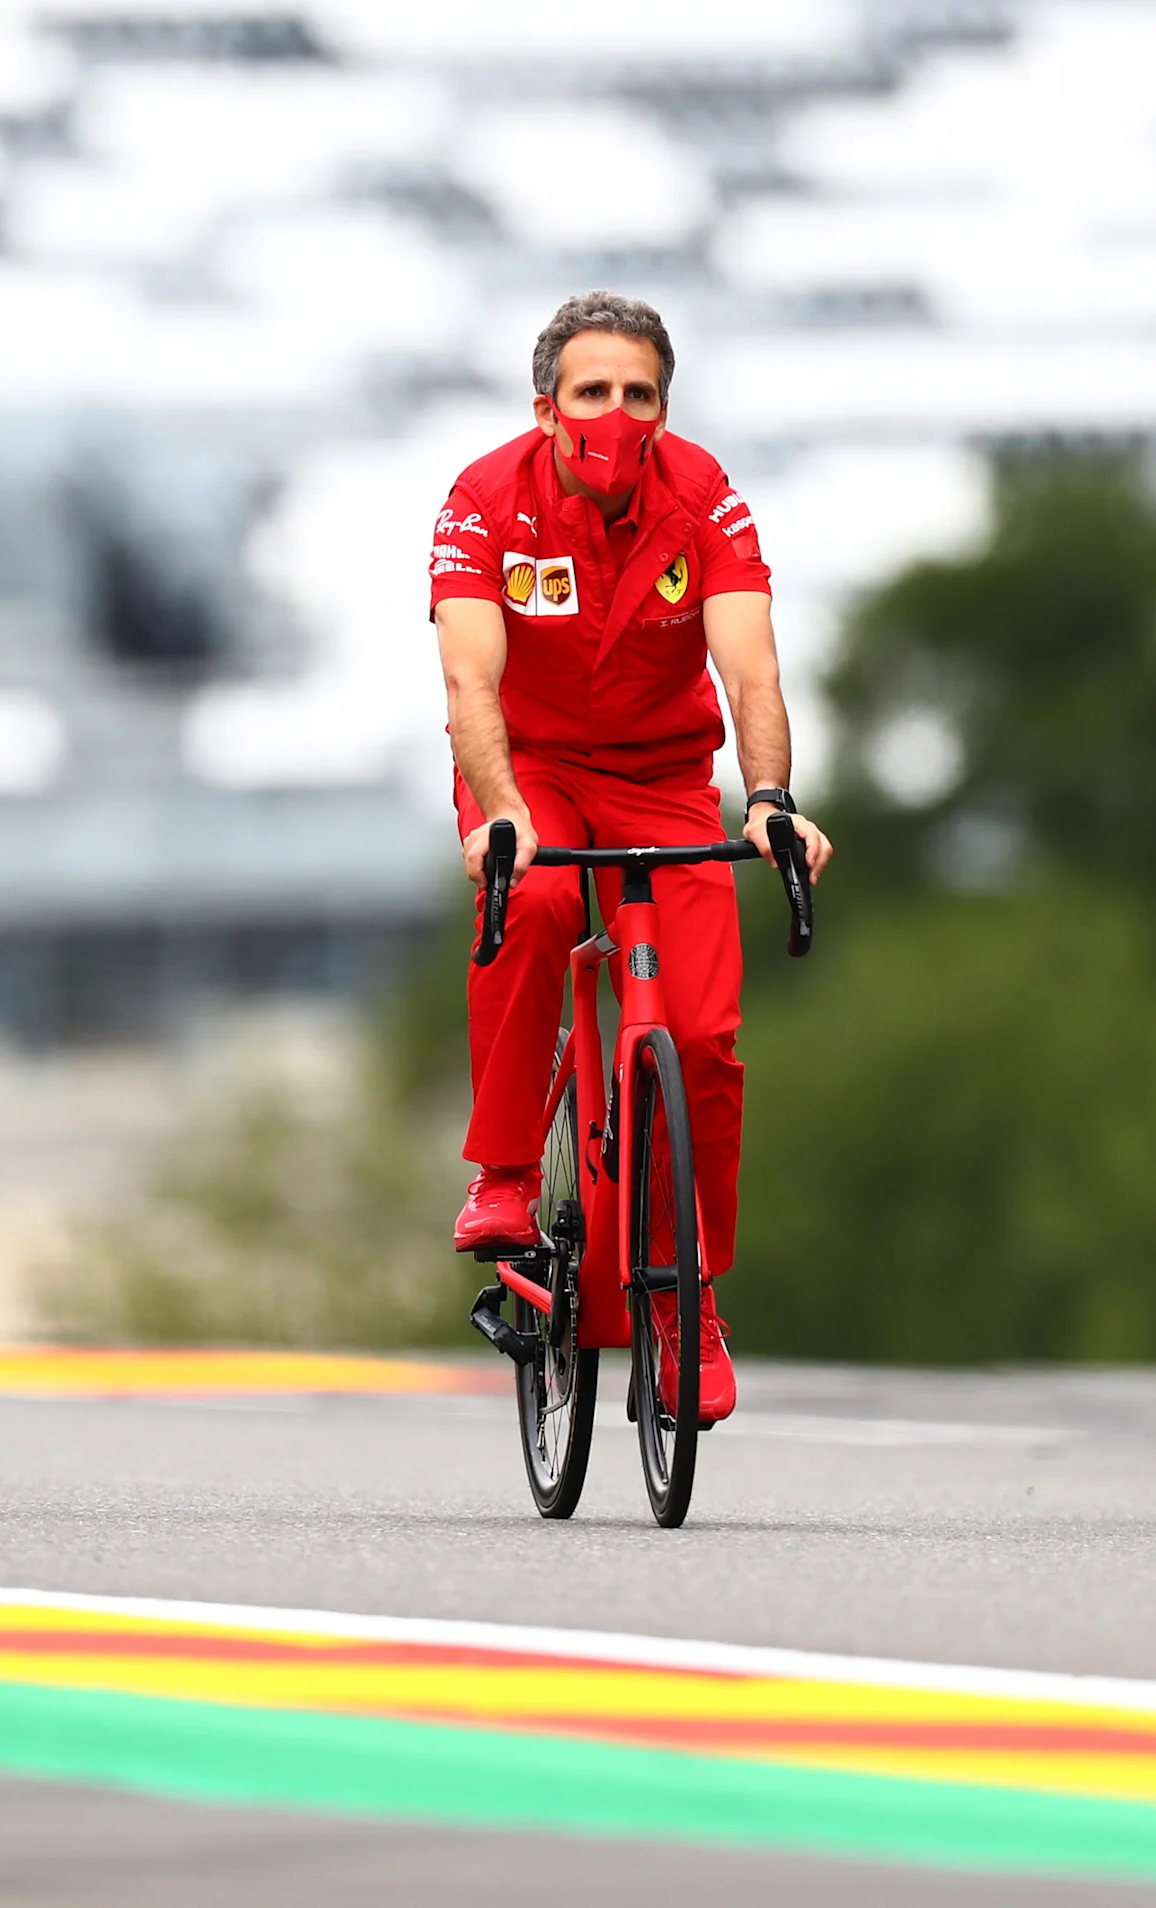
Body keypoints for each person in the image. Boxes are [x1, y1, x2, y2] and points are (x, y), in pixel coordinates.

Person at [431, 291, 832, 1425]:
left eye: (638, 393)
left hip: (660, 774)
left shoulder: (700, 494)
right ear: (546, 406)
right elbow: (467, 679)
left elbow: (750, 667)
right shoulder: (482, 501)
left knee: (699, 1037)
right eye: (592, 391)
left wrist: (767, 799)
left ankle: (681, 1300)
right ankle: (506, 1171)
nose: (616, 412)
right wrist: (499, 807)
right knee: (543, 901)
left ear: (664, 406)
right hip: (531, 765)